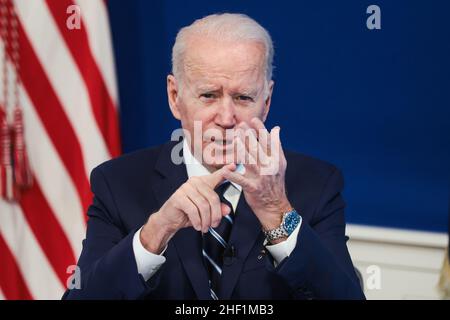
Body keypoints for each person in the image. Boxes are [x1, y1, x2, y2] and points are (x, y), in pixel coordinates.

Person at [63, 13, 365, 300]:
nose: (226, 117)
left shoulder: (316, 185)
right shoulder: (118, 183)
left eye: (243, 97)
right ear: (175, 97)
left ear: (266, 101)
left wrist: (277, 214)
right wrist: (155, 233)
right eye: (208, 95)